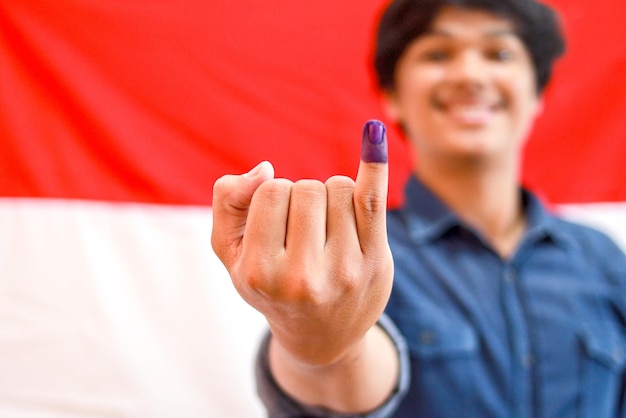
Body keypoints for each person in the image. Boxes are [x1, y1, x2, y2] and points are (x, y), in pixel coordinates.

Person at [211, 0, 626, 416]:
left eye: (499, 54)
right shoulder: (353, 253)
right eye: (437, 54)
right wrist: (321, 344)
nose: (469, 75)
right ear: (392, 97)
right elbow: (339, 381)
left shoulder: (602, 259)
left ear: (537, 93)